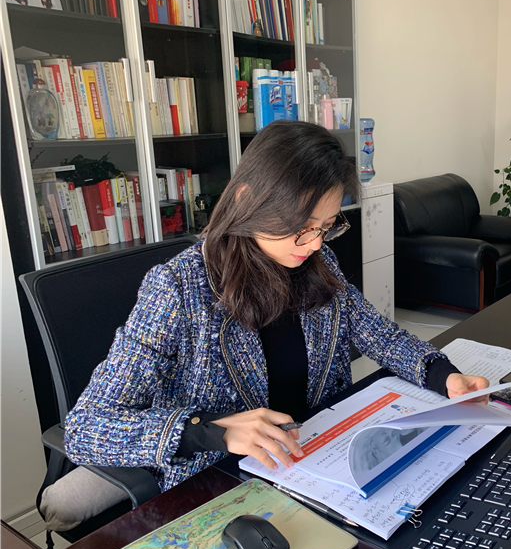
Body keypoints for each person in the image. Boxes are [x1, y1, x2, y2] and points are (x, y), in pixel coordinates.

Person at [58, 121, 489, 508]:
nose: (315, 243)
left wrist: (443, 375)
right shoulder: (178, 288)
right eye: (303, 226)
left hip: (320, 460)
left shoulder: (318, 263)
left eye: (326, 226)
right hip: (221, 484)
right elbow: (86, 427)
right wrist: (213, 430)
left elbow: (378, 334)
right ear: (248, 200)